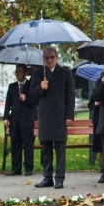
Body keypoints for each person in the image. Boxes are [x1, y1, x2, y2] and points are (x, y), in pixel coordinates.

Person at [30, 47, 75, 189]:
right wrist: (40, 87)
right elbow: (31, 95)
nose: (50, 60)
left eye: (52, 57)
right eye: (47, 58)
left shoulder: (65, 73)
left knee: (60, 149)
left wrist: (69, 115)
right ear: (43, 59)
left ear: (57, 58)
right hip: (45, 116)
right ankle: (47, 177)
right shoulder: (38, 74)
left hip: (60, 116)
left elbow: (70, 96)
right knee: (46, 149)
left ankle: (59, 178)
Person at [3, 64, 36, 176]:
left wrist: (25, 98)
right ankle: (15, 168)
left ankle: (28, 168)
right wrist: (6, 117)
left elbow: (34, 102)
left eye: (20, 72)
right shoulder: (12, 87)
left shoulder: (31, 85)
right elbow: (8, 104)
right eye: (16, 72)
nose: (18, 74)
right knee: (15, 144)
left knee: (28, 144)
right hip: (15, 120)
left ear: (25, 73)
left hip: (27, 119)